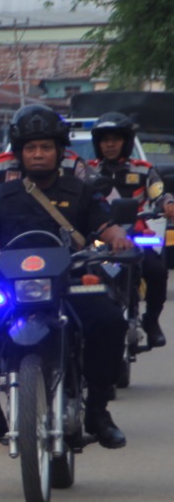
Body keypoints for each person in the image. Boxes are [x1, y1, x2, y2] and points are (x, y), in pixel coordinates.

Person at [0, 103, 132, 454]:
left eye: (46, 147)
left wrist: (119, 238)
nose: (39, 154)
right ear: (19, 153)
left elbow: (105, 224)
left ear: (59, 151)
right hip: (11, 286)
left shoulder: (81, 190)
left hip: (70, 282)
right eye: (31, 148)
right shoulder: (0, 195)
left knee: (109, 321)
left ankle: (98, 412)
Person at [86, 111, 174, 347]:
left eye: (115, 139)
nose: (110, 144)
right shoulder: (87, 171)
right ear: (98, 143)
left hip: (136, 238)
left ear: (126, 142)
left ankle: (151, 321)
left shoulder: (144, 169)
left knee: (156, 271)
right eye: (105, 140)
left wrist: (167, 204)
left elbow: (158, 193)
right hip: (99, 239)